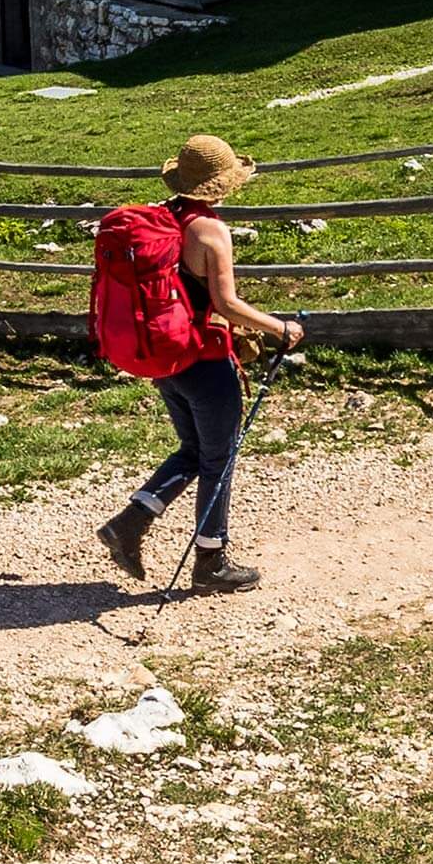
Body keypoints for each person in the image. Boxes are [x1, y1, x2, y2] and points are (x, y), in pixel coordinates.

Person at [95, 134, 305, 594]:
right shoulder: (210, 230)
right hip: (204, 359)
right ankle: (211, 561)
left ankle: (131, 523)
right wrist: (279, 328)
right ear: (223, 184)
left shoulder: (163, 217)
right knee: (220, 458)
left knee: (194, 450)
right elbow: (226, 304)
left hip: (164, 358)